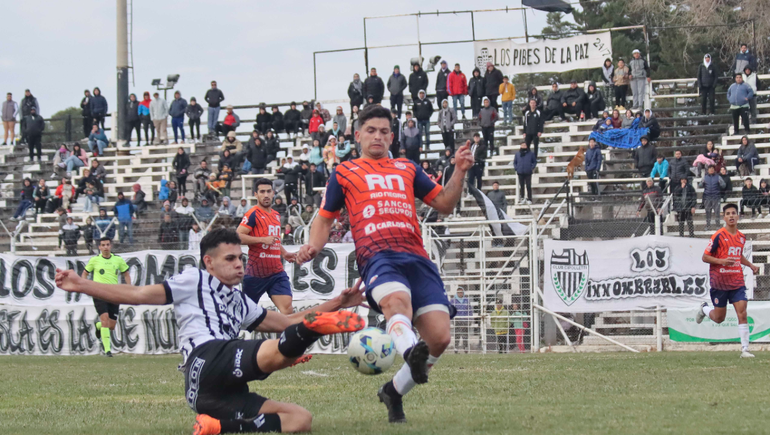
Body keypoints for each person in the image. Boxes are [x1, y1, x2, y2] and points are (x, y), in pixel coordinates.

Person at [55, 227, 367, 434]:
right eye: (230, 259)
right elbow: (136, 295)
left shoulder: (240, 301)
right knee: (275, 351)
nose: (239, 265)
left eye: (241, 259)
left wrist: (337, 302)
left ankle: (219, 427)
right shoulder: (194, 280)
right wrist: (79, 283)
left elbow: (287, 322)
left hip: (212, 394)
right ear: (209, 262)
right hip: (206, 359)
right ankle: (310, 334)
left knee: (300, 420)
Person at [295, 104, 473, 424]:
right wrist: (314, 246)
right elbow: (324, 219)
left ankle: (393, 391)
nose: (378, 136)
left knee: (440, 338)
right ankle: (408, 352)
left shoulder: (407, 168)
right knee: (396, 303)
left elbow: (444, 204)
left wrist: (459, 170)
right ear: (358, 134)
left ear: (392, 136)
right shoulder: (344, 173)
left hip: (417, 257)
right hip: (378, 256)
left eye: (384, 131)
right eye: (371, 130)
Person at [694, 203, 760, 358]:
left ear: (738, 216)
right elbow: (705, 257)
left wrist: (750, 265)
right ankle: (704, 309)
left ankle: (745, 349)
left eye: (734, 213)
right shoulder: (718, 235)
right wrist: (722, 261)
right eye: (728, 213)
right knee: (719, 318)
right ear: (724, 217)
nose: (731, 216)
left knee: (742, 312)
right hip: (720, 283)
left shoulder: (741, 237)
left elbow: (738, 256)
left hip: (736, 280)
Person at [238, 179, 298, 315]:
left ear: (273, 193)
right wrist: (261, 239)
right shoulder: (252, 213)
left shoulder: (276, 215)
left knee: (288, 310)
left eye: (268, 191)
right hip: (256, 274)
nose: (266, 195)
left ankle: (284, 337)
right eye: (262, 192)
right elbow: (238, 236)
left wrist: (284, 252)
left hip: (276, 273)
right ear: (256, 194)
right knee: (244, 315)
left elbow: (274, 240)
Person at [81, 237, 131, 354]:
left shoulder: (118, 260)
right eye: (103, 245)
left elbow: (126, 274)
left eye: (107, 245)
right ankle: (107, 350)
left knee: (111, 325)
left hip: (114, 293)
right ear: (99, 247)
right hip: (99, 293)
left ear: (111, 246)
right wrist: (85, 286)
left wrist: (129, 287)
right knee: (104, 319)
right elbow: (85, 273)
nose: (105, 247)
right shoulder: (94, 260)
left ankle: (98, 326)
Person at [699, 165, 726, 230]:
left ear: (714, 170)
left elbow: (724, 185)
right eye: (710, 169)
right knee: (708, 212)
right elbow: (700, 185)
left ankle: (718, 226)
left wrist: (721, 183)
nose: (711, 170)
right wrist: (702, 184)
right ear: (707, 170)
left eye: (712, 169)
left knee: (717, 212)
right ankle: (708, 225)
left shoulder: (718, 177)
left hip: (716, 197)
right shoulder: (705, 177)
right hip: (707, 197)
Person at [451, 288, 470, 353]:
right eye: (458, 292)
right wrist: (453, 319)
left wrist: (469, 319)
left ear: (463, 293)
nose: (460, 293)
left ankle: (465, 348)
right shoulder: (453, 300)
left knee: (465, 335)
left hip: (465, 320)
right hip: (457, 320)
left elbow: (470, 310)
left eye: (461, 292)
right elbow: (451, 310)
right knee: (457, 335)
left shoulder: (466, 300)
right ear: (457, 293)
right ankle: (456, 348)